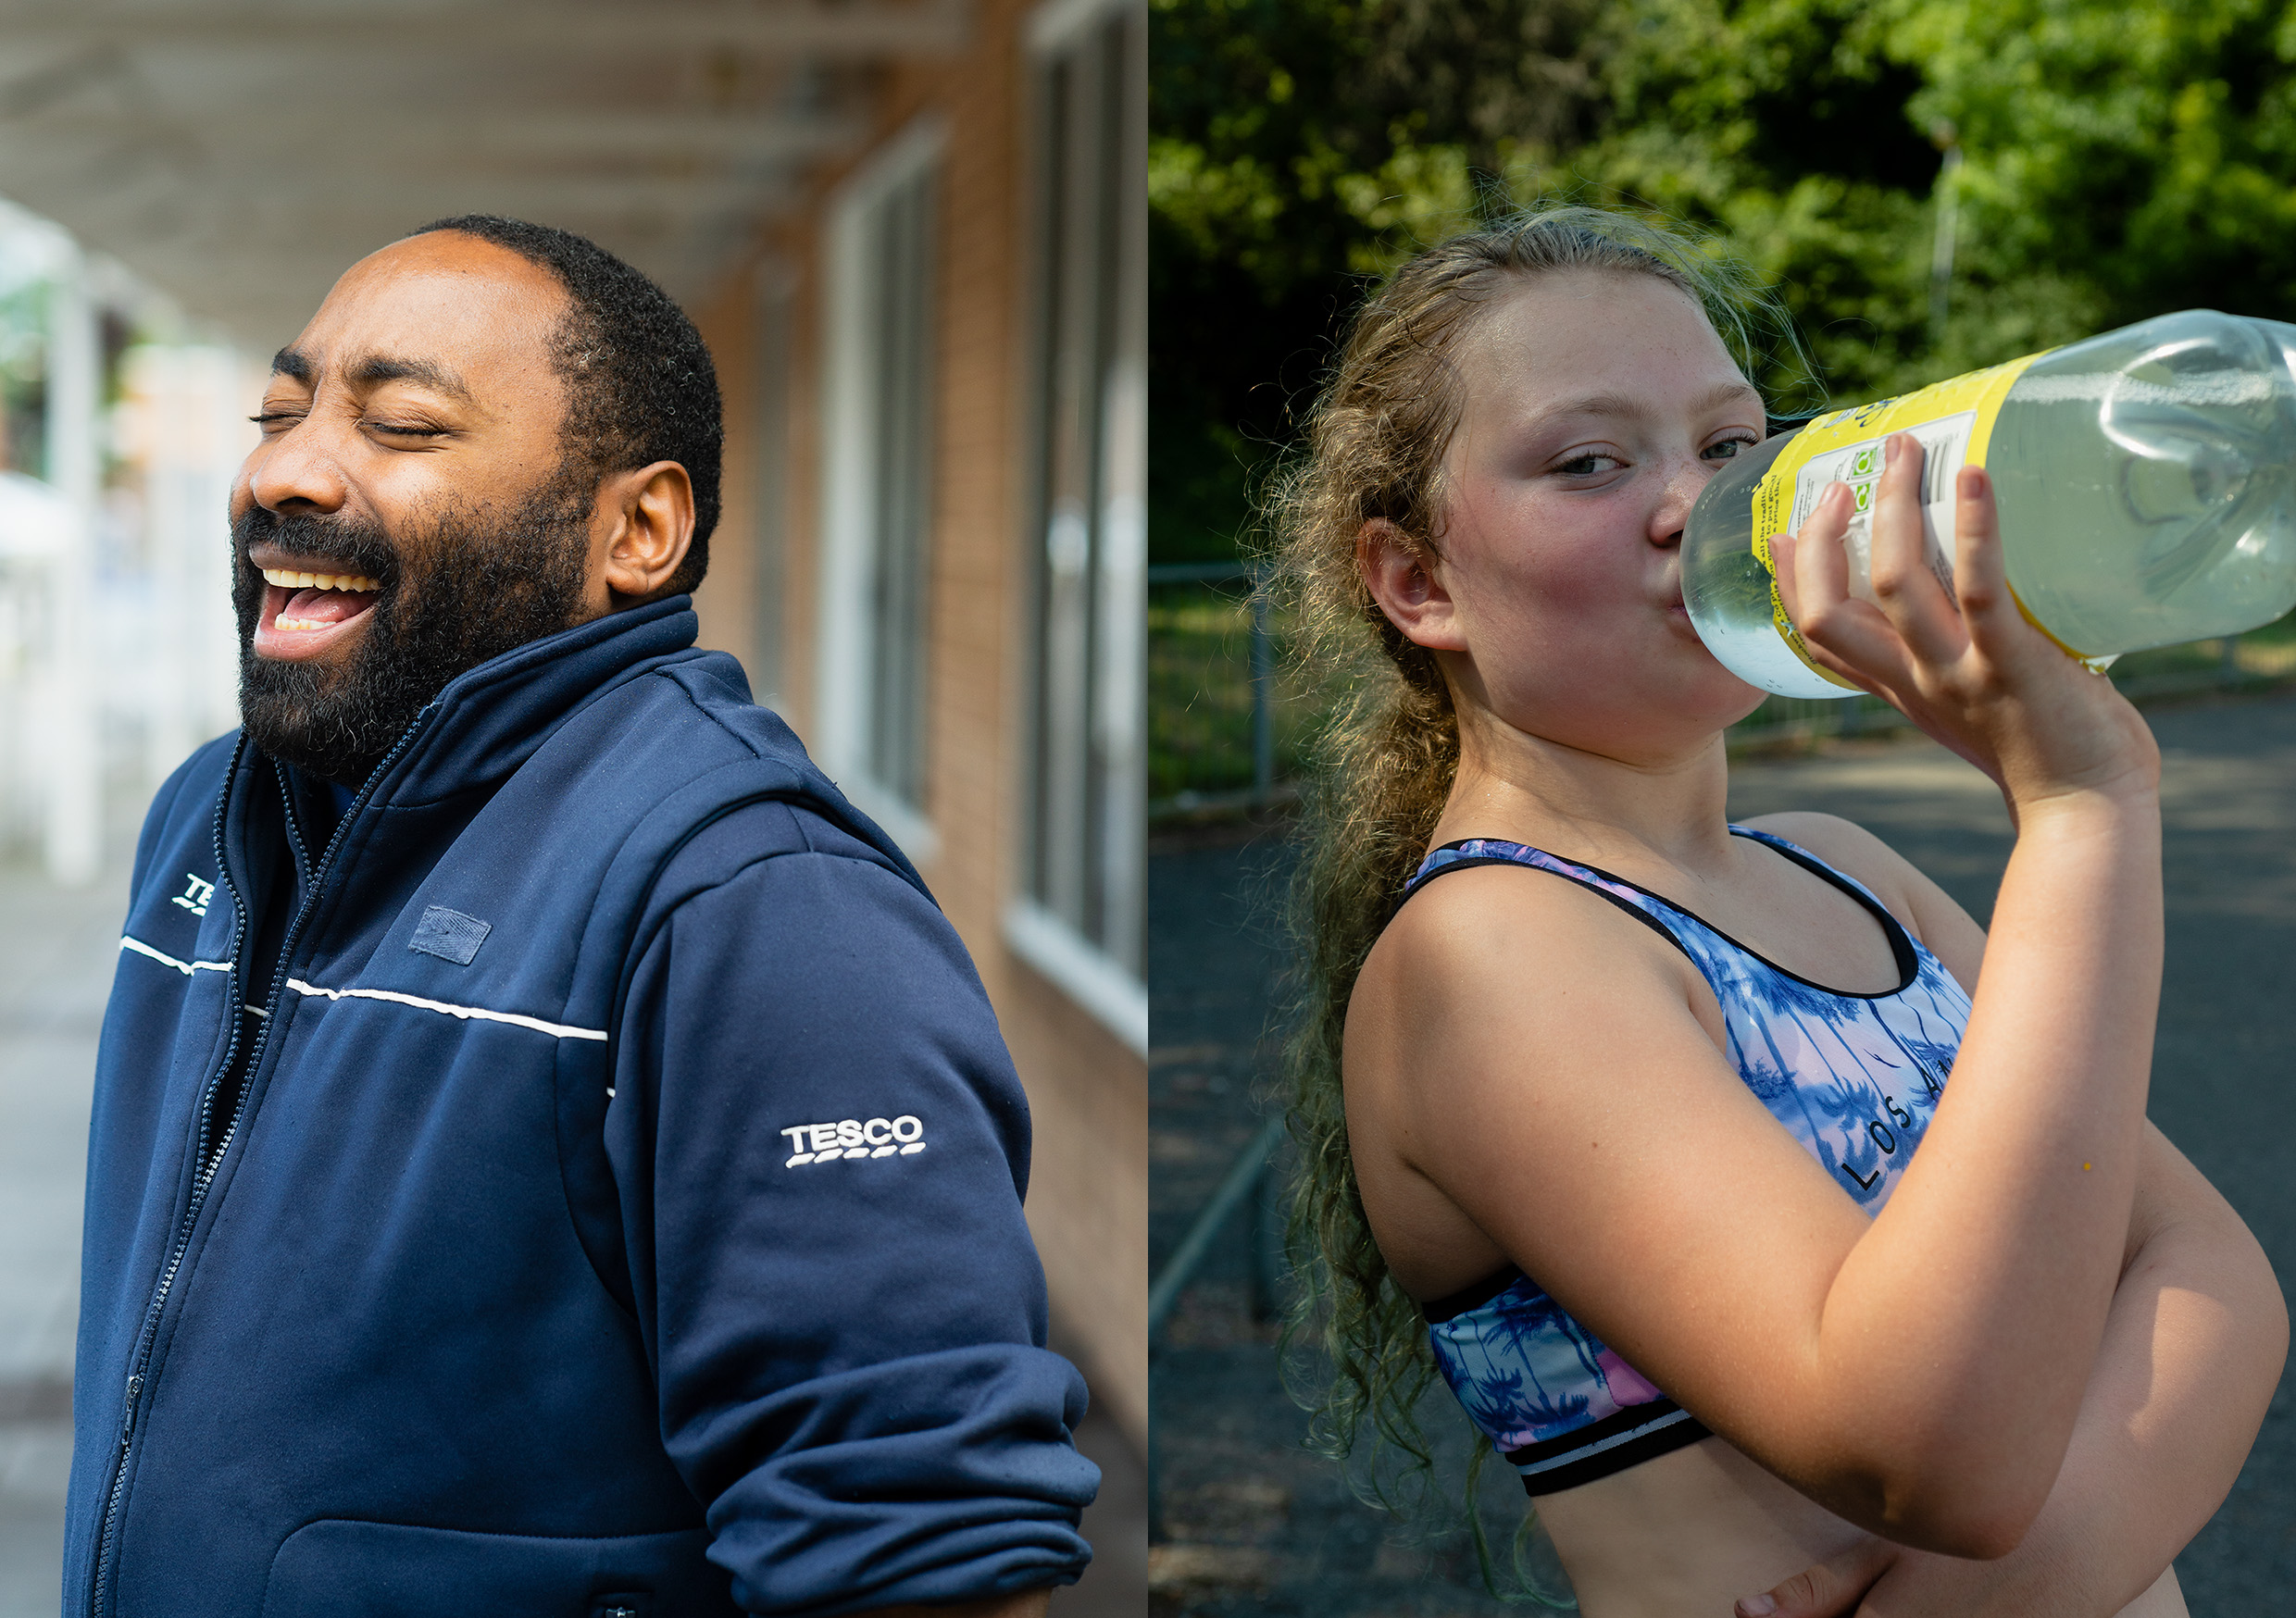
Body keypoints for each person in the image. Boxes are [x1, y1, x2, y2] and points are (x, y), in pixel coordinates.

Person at [67, 217, 1097, 1617]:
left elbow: (924, 1553)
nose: (284, 468)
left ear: (636, 530)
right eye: (281, 409)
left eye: (403, 425)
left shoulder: (755, 906)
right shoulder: (214, 816)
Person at [1277, 206, 2288, 1618]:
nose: (1697, 508)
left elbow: (2218, 1277)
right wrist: (2080, 811)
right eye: (1588, 462)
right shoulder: (1490, 954)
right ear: (1417, 580)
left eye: (1729, 445)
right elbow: (1942, 1457)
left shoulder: (1849, 871)